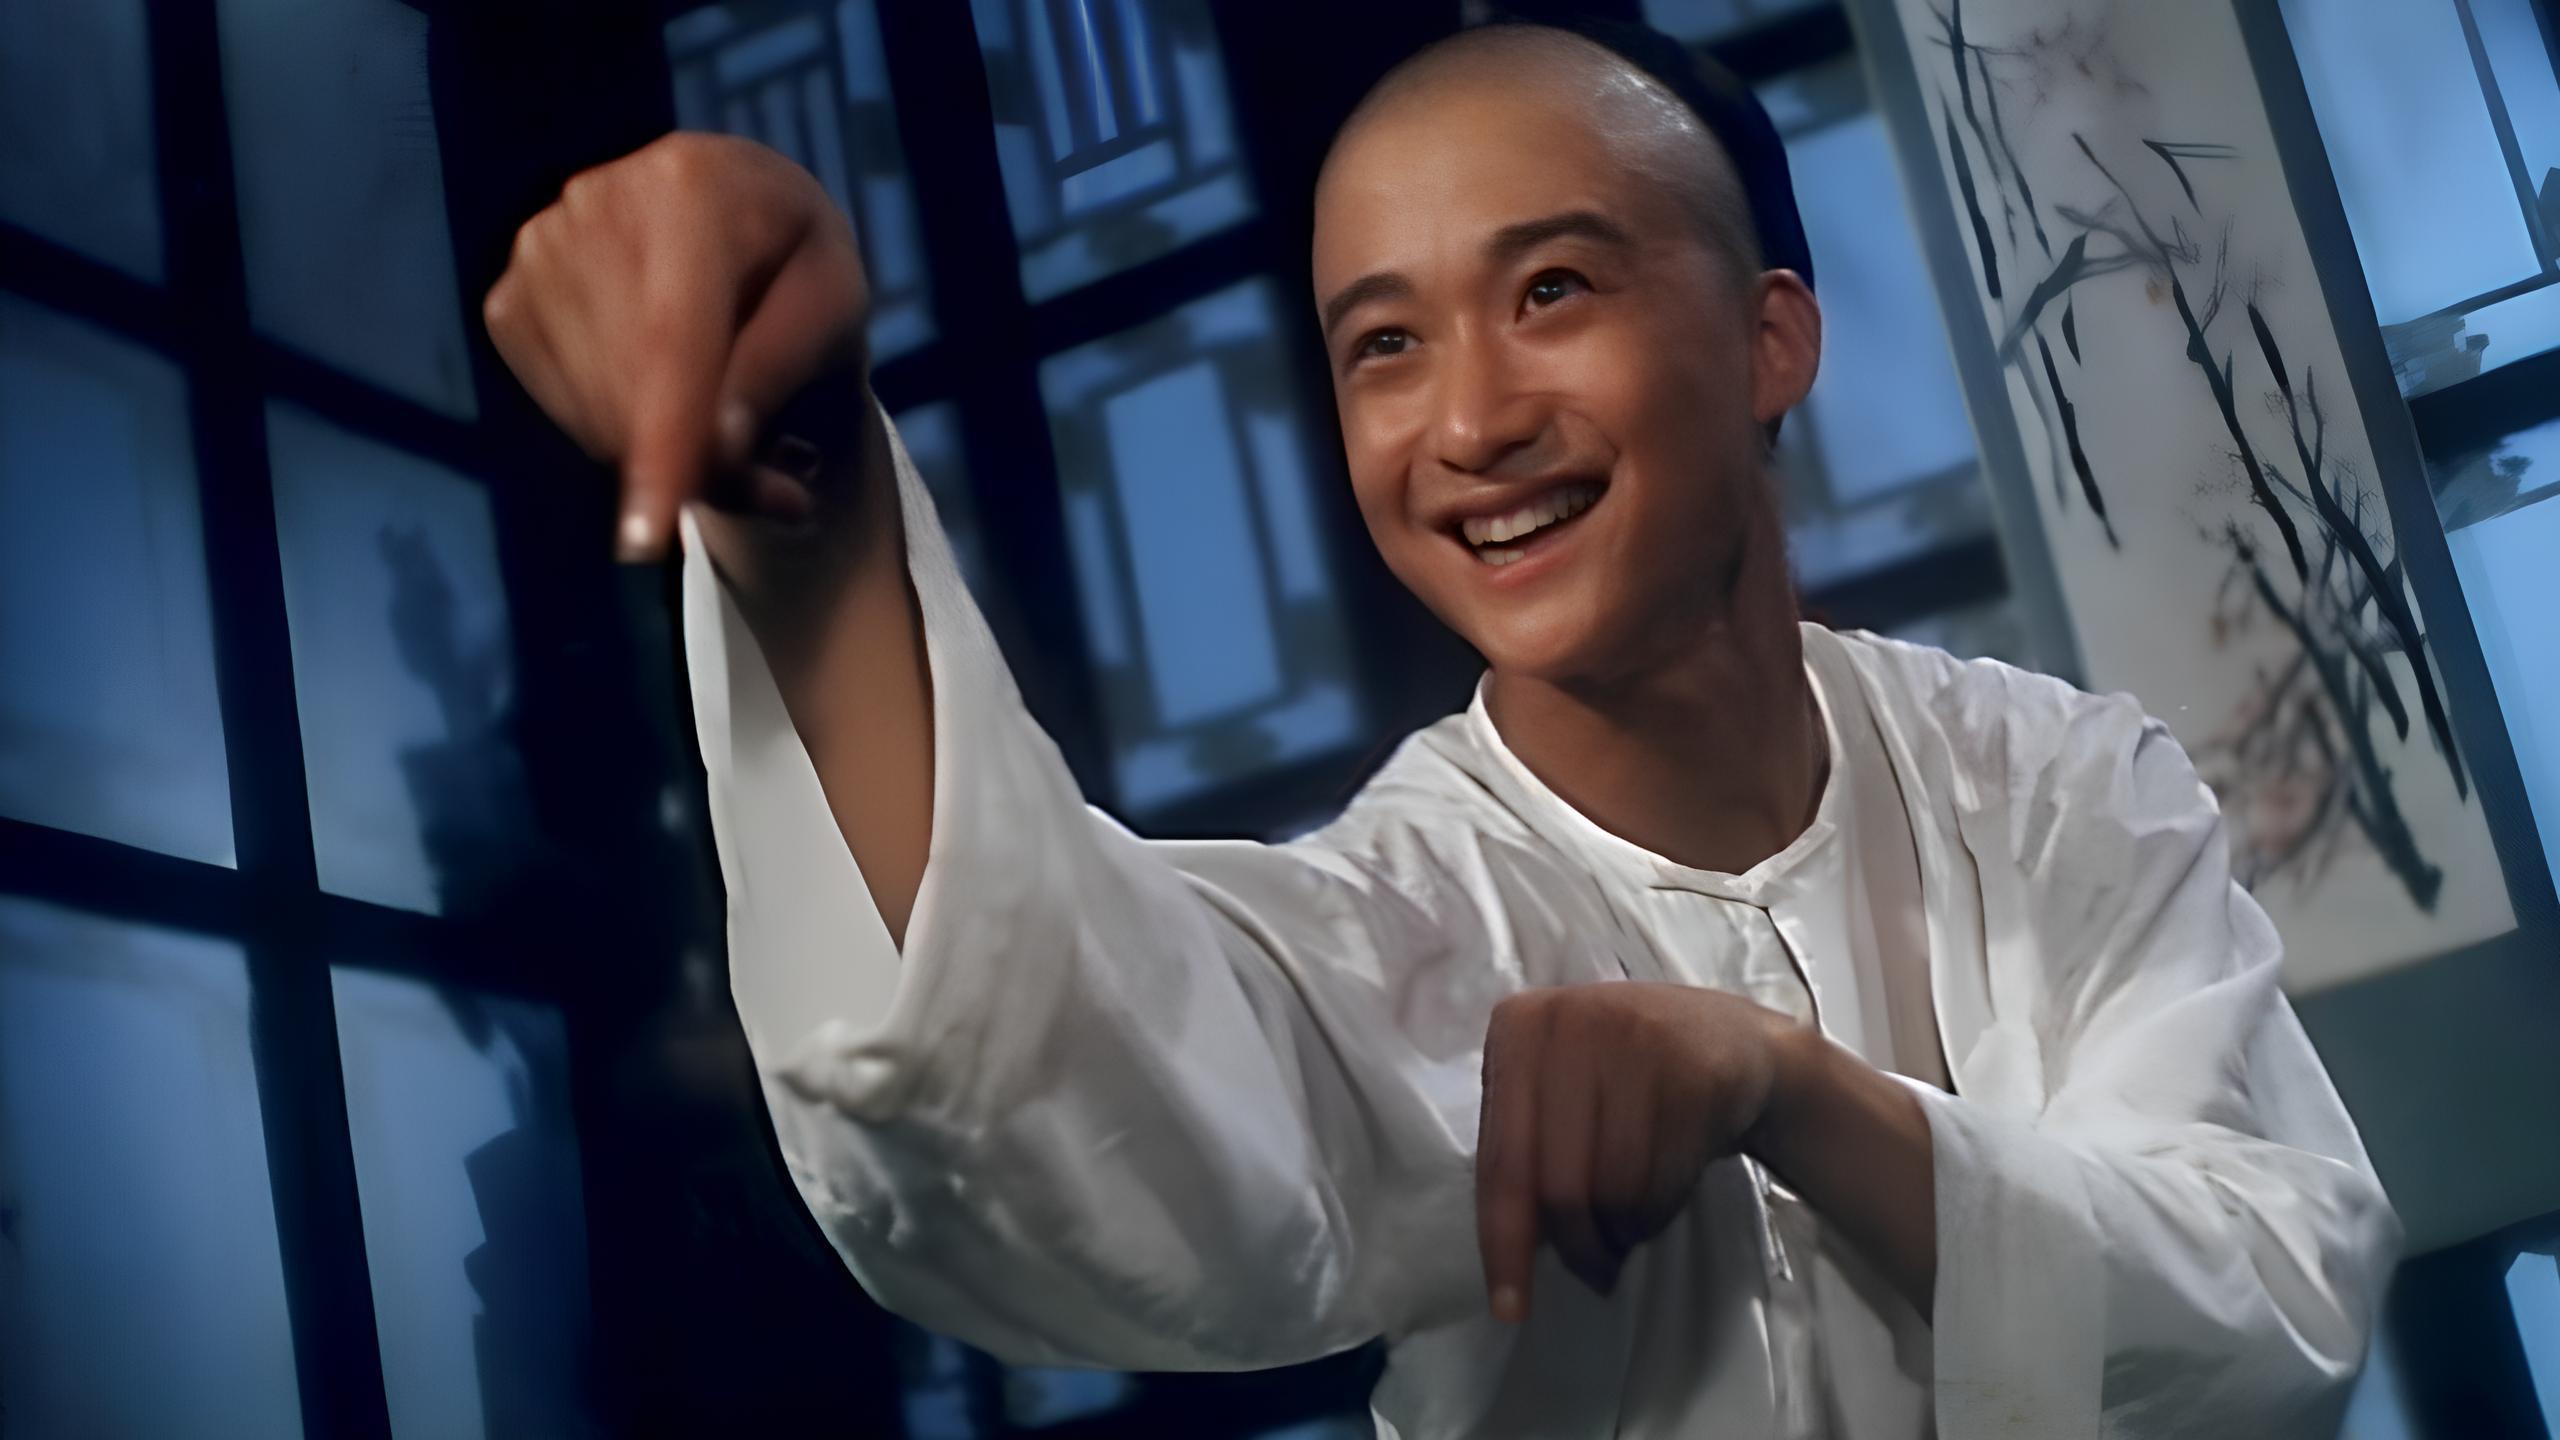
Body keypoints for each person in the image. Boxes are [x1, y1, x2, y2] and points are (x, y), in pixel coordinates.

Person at [483, 20, 2398, 1438]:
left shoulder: (2061, 788)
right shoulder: (1405, 925)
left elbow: (2267, 1305)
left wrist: (1783, 1088)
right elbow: (1047, 1087)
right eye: (1384, 346)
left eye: (1552, 289)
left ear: (1770, 341)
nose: (1469, 424)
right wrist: (807, 493)